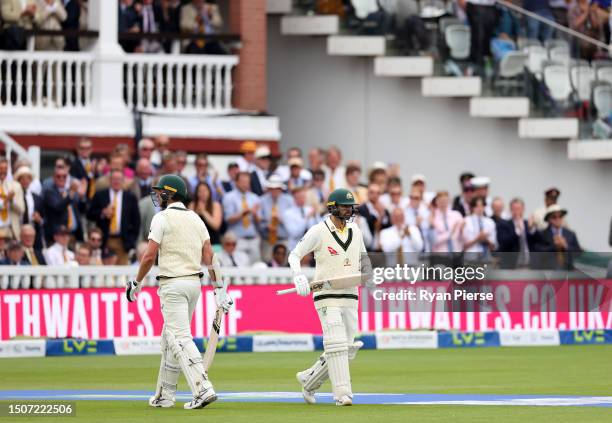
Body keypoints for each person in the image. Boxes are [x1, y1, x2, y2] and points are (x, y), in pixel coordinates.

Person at [126, 174, 233, 409]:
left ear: (169, 194)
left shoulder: (162, 218)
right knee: (169, 339)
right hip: (194, 285)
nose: (156, 196)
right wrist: (219, 290)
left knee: (179, 337)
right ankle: (165, 395)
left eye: (159, 192)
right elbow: (209, 257)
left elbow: (149, 255)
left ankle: (202, 388)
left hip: (173, 285)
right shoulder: (196, 219)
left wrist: (136, 282)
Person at [288, 188, 371, 406]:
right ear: (333, 207)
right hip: (327, 295)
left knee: (346, 349)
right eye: (344, 206)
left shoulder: (356, 230)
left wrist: (368, 275)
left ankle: (309, 380)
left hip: (351, 295)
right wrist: (298, 276)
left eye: (350, 206)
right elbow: (294, 254)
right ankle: (343, 394)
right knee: (336, 344)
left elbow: (364, 259)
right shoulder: (318, 230)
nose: (349, 209)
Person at [87, 169, 141, 265]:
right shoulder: (100, 195)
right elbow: (89, 214)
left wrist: (131, 242)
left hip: (122, 242)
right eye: (114, 179)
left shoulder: (130, 197)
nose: (116, 181)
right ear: (109, 180)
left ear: (123, 180)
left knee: (122, 274)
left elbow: (136, 222)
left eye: (119, 179)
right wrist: (102, 213)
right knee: (103, 273)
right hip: (104, 241)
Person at [222, 171, 261, 263]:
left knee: (255, 268)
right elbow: (228, 219)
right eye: (243, 182)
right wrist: (243, 213)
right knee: (239, 267)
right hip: (237, 240)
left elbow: (259, 222)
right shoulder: (229, 197)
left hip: (253, 238)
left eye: (247, 182)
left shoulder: (255, 197)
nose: (245, 184)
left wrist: (255, 214)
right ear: (236, 182)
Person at [43, 163, 86, 244]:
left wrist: (82, 196)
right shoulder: (49, 192)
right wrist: (72, 192)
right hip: (57, 236)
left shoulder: (71, 191)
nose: (61, 178)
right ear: (53, 178)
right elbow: (59, 207)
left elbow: (82, 210)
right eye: (58, 176)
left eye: (64, 176)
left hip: (73, 234)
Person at [533, 204, 582, 270]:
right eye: (554, 217)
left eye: (560, 216)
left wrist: (565, 245)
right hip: (548, 272)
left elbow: (578, 252)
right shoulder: (542, 234)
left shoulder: (570, 234)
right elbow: (537, 252)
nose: (557, 219)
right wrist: (554, 246)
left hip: (567, 272)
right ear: (549, 219)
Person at [258, 175, 293, 261]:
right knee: (267, 261)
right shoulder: (262, 200)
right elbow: (259, 220)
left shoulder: (289, 200)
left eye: (277, 188)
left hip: (283, 238)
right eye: (272, 188)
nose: (274, 191)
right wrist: (267, 226)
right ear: (268, 189)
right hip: (267, 239)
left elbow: (293, 220)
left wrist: (280, 219)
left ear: (281, 189)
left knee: (285, 263)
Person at [461, 197, 497, 262]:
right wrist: (477, 239)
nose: (479, 208)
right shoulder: (466, 221)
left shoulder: (490, 222)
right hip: (470, 257)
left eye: (482, 206)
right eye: (477, 206)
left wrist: (486, 239)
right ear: (472, 207)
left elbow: (493, 246)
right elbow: (463, 246)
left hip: (486, 257)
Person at [358, 182, 391, 252]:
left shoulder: (384, 209)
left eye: (378, 193)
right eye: (372, 192)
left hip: (381, 248)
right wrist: (379, 217)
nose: (375, 195)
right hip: (367, 248)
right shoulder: (361, 209)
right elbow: (367, 225)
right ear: (367, 193)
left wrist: (382, 214)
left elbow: (388, 226)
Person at [0, 157, 24, 240]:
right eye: (1, 168)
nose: (3, 171)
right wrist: (7, 199)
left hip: (11, 231)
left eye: (6, 168)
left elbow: (21, 210)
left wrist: (11, 201)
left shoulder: (15, 186)